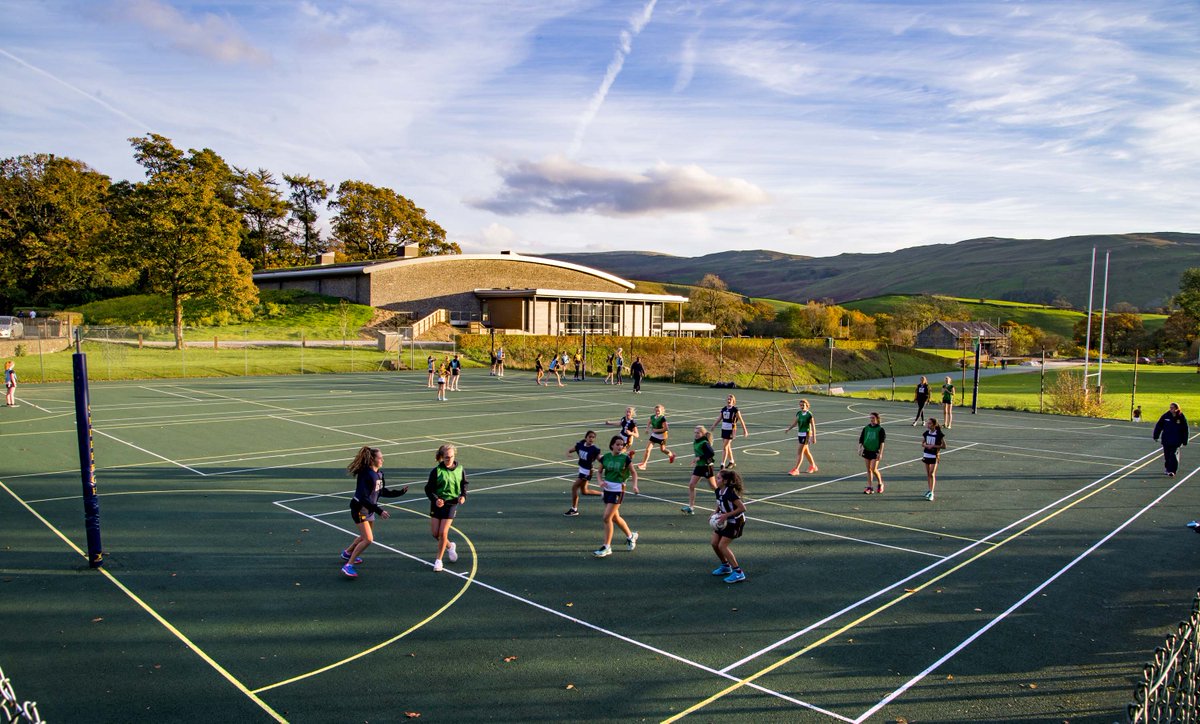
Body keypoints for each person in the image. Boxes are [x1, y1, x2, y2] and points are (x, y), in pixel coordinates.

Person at [342, 446, 408, 578]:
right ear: (372, 459)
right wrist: (379, 510)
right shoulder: (366, 475)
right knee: (368, 539)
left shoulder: (379, 474)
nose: (382, 459)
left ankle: (347, 553)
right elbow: (363, 497)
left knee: (364, 536)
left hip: (369, 509)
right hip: (360, 509)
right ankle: (348, 565)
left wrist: (399, 492)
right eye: (380, 457)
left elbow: (382, 491)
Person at [593, 435, 638, 558]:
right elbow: (599, 471)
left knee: (606, 517)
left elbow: (633, 472)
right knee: (615, 517)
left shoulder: (625, 458)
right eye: (617, 444)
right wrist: (600, 482)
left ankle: (607, 547)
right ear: (612, 445)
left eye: (622, 445)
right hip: (607, 489)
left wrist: (634, 485)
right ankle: (630, 536)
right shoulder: (605, 457)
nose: (620, 446)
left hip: (618, 490)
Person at [425, 444, 468, 572]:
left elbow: (464, 484)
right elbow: (428, 489)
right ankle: (450, 546)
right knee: (435, 533)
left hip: (451, 504)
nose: (449, 460)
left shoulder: (460, 469)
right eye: (446, 458)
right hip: (438, 503)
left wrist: (463, 495)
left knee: (443, 532)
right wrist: (435, 499)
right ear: (441, 457)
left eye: (451, 457)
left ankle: (439, 560)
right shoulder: (436, 471)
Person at [710, 468, 747, 584]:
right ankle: (726, 566)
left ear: (725, 481)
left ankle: (738, 572)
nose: (716, 480)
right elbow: (719, 503)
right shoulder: (718, 491)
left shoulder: (731, 493)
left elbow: (742, 508)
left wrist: (726, 515)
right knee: (714, 543)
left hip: (736, 522)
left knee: (722, 546)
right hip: (724, 521)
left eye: (719, 478)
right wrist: (715, 513)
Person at [565, 430, 603, 516]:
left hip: (587, 472)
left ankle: (574, 509)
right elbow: (570, 450)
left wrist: (608, 460)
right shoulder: (580, 445)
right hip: (581, 469)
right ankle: (604, 494)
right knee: (584, 491)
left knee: (574, 487)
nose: (591, 439)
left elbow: (600, 459)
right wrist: (568, 453)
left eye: (593, 437)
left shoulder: (594, 449)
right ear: (586, 437)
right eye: (590, 437)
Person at [682, 425, 718, 515]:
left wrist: (699, 458)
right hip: (699, 466)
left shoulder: (704, 442)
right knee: (691, 485)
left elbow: (711, 453)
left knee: (714, 487)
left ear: (703, 434)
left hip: (707, 466)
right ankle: (691, 507)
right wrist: (697, 459)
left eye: (698, 433)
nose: (696, 434)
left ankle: (724, 503)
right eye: (695, 433)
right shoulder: (696, 441)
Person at [604, 407, 640, 486]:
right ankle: (629, 456)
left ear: (632, 413)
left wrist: (631, 433)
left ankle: (621, 472)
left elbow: (637, 434)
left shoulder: (633, 422)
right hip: (621, 438)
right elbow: (619, 423)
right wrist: (610, 423)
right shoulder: (623, 419)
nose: (628, 413)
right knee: (615, 451)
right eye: (627, 411)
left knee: (620, 454)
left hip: (627, 440)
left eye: (629, 412)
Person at [1153, 403, 1189, 478]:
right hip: (1166, 439)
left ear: (1177, 409)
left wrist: (1185, 440)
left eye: (1172, 408)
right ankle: (1167, 468)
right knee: (1167, 456)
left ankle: (1172, 471)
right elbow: (1159, 426)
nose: (1171, 409)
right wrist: (1156, 436)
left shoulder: (1181, 417)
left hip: (1176, 440)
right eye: (1170, 407)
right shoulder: (1166, 416)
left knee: (1173, 455)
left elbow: (1185, 429)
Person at [713, 394, 749, 469]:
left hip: (731, 430)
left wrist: (745, 430)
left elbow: (741, 420)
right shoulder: (723, 409)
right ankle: (731, 461)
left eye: (730, 399)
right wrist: (714, 426)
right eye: (728, 399)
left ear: (733, 401)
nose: (729, 400)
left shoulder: (735, 410)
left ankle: (722, 464)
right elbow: (719, 418)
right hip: (724, 429)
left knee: (725, 447)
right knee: (728, 447)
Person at [636, 404, 676, 470]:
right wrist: (647, 429)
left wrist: (657, 430)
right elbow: (649, 422)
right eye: (656, 411)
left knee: (662, 450)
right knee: (648, 449)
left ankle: (671, 455)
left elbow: (666, 428)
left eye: (659, 411)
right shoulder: (652, 417)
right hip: (654, 435)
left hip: (662, 436)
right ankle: (644, 464)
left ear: (662, 411)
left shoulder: (662, 418)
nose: (657, 412)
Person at [784, 398, 817, 475]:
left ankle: (796, 469)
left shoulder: (809, 415)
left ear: (807, 405)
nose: (802, 406)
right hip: (800, 434)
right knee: (806, 452)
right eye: (801, 405)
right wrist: (789, 429)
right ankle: (813, 466)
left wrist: (814, 437)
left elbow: (813, 426)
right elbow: (795, 423)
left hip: (807, 435)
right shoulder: (799, 413)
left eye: (803, 405)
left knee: (800, 452)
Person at [859, 411, 887, 494]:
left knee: (873, 469)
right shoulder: (866, 428)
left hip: (875, 451)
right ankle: (870, 487)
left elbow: (882, 442)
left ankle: (880, 484)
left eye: (873, 418)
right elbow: (861, 439)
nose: (871, 419)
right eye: (870, 418)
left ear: (877, 419)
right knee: (868, 470)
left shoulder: (880, 429)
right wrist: (860, 448)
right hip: (867, 450)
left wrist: (880, 453)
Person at [920, 417, 946, 501]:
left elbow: (944, 446)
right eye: (927, 423)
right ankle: (929, 490)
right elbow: (922, 443)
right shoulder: (926, 433)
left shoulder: (938, 434)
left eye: (930, 423)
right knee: (928, 474)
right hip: (926, 454)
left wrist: (933, 446)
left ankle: (932, 492)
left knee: (932, 474)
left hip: (934, 456)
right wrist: (926, 445)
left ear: (934, 425)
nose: (928, 424)